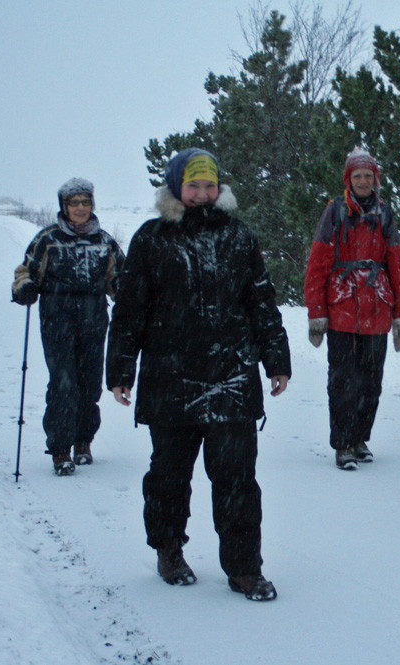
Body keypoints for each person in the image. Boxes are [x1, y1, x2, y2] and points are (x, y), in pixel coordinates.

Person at [106, 148, 291, 601]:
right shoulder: (151, 239)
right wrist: (120, 370)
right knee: (169, 476)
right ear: (175, 187)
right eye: (193, 185)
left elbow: (261, 302)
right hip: (172, 379)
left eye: (209, 185)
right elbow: (131, 311)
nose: (202, 194)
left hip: (232, 376)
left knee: (237, 480)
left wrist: (277, 360)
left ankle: (245, 569)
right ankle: (169, 550)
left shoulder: (239, 237)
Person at [304, 147, 400, 470]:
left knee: (371, 381)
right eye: (357, 176)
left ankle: (360, 438)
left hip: (377, 309)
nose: (363, 181)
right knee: (342, 381)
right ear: (348, 180)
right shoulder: (334, 212)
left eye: (368, 175)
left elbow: (398, 265)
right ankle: (343, 444)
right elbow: (318, 264)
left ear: (375, 178)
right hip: (342, 309)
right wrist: (316, 314)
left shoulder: (385, 214)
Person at [11, 178, 124, 476]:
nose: (80, 208)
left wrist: (131, 297)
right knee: (63, 385)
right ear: (64, 206)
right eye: (74, 203)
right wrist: (24, 288)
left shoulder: (105, 241)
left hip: (94, 321)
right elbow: (25, 271)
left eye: (85, 203)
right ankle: (60, 448)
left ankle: (83, 442)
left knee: (89, 386)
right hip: (56, 321)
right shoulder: (48, 239)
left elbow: (119, 278)